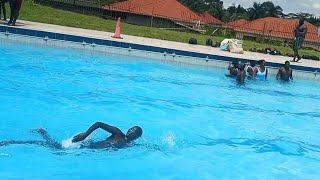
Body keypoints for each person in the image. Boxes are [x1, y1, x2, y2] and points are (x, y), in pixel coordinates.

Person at [0, 122, 143, 149]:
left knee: (55, 148)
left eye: (134, 132)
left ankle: (42, 131)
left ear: (136, 136)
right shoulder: (118, 133)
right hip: (84, 144)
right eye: (131, 129)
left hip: (88, 150)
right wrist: (85, 135)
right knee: (56, 149)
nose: (130, 131)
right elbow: (99, 123)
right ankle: (12, 142)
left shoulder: (129, 144)